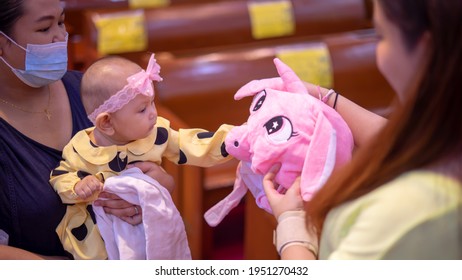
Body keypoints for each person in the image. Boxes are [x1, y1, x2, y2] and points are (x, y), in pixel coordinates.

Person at [264, 0, 462, 259]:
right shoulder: (446, 138)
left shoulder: (411, 210)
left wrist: (292, 225)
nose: (378, 54)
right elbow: (398, 142)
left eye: (381, 36)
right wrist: (324, 97)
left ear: (426, 50)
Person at [0, 0, 174, 260]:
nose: (61, 37)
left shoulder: (94, 93)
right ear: (3, 43)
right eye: (45, 28)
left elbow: (157, 170)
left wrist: (155, 188)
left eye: (60, 22)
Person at [49, 54, 233, 259]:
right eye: (143, 109)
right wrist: (78, 186)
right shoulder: (80, 148)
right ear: (107, 123)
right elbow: (60, 175)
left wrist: (233, 141)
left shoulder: (155, 134)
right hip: (98, 242)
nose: (153, 113)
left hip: (147, 231)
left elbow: (191, 143)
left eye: (152, 103)